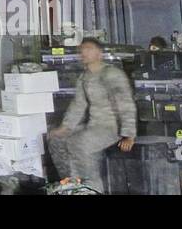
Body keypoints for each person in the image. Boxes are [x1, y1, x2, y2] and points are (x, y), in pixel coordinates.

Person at [48, 37, 137, 193]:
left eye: (89, 49)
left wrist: (129, 135)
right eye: (82, 49)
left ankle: (92, 188)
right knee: (56, 140)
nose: (84, 52)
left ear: (99, 53)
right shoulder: (84, 77)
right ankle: (73, 184)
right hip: (93, 126)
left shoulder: (112, 74)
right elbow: (78, 105)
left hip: (112, 128)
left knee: (80, 143)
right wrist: (65, 127)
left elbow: (126, 105)